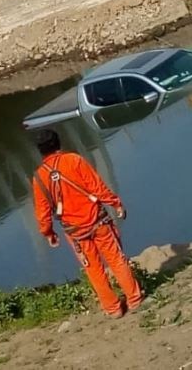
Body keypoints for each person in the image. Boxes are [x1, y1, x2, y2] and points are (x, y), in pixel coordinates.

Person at [31, 129, 143, 319]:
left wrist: (48, 233)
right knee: (116, 260)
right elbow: (97, 187)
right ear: (59, 142)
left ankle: (113, 308)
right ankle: (134, 299)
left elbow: (42, 213)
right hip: (98, 222)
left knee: (93, 269)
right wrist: (115, 203)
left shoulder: (39, 177)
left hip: (75, 232)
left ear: (39, 150)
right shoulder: (74, 160)